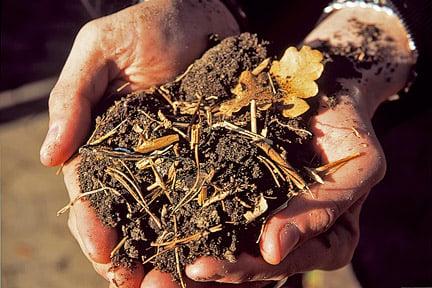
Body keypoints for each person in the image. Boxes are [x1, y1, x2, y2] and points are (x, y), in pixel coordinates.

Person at [40, 0, 430, 287]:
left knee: (397, 251)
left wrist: (386, 28)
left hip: (404, 106)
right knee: (268, 261)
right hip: (223, 28)